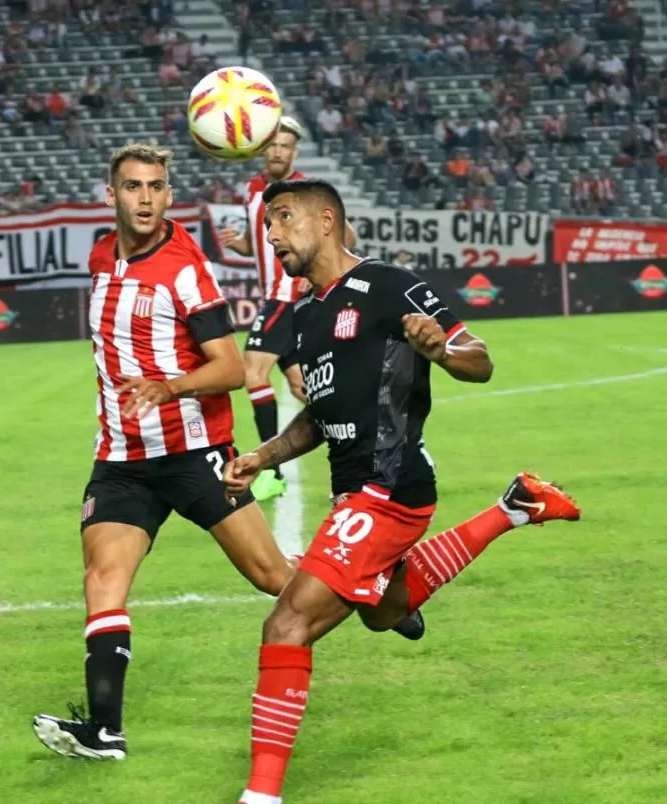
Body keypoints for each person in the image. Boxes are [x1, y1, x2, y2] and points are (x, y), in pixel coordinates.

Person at [223, 178, 582, 804]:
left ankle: (261, 796)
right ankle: (514, 507)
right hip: (354, 490)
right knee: (384, 612)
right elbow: (320, 417)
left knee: (286, 625)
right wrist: (263, 454)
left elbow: (479, 355)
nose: (272, 234)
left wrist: (442, 350)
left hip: (387, 485)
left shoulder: (387, 284)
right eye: (268, 223)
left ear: (326, 219)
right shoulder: (307, 315)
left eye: (282, 219)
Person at [31, 143, 308, 763]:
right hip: (122, 461)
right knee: (102, 580)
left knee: (272, 577)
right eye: (133, 186)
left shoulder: (187, 269)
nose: (146, 198)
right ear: (112, 196)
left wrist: (169, 386)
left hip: (195, 455)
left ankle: (379, 600)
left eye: (156, 186)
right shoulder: (101, 256)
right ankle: (104, 732)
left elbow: (232, 368)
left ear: (169, 194)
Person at [219, 118, 356, 501]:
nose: (277, 151)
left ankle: (270, 473)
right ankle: (363, 437)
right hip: (273, 295)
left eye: (285, 145)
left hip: (288, 296)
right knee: (303, 387)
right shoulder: (252, 190)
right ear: (261, 148)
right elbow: (261, 247)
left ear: (294, 151)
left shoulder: (303, 193)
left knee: (252, 371)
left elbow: (346, 237)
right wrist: (242, 245)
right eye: (272, 145)